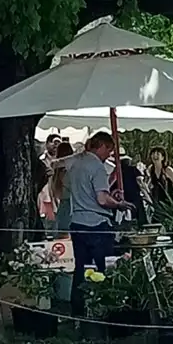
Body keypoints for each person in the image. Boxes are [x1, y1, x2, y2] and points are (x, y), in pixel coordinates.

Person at [64, 131, 124, 312]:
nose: (109, 155)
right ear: (102, 146)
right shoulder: (97, 166)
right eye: (109, 150)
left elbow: (88, 193)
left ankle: (78, 309)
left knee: (81, 268)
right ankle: (102, 308)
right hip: (96, 224)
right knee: (102, 268)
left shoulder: (75, 164)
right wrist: (119, 204)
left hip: (77, 221)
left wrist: (109, 195)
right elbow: (102, 199)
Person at [147, 146, 173, 216]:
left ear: (163, 157)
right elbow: (149, 183)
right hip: (155, 200)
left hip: (168, 201)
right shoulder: (150, 169)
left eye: (158, 154)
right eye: (153, 154)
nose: (155, 156)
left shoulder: (168, 170)